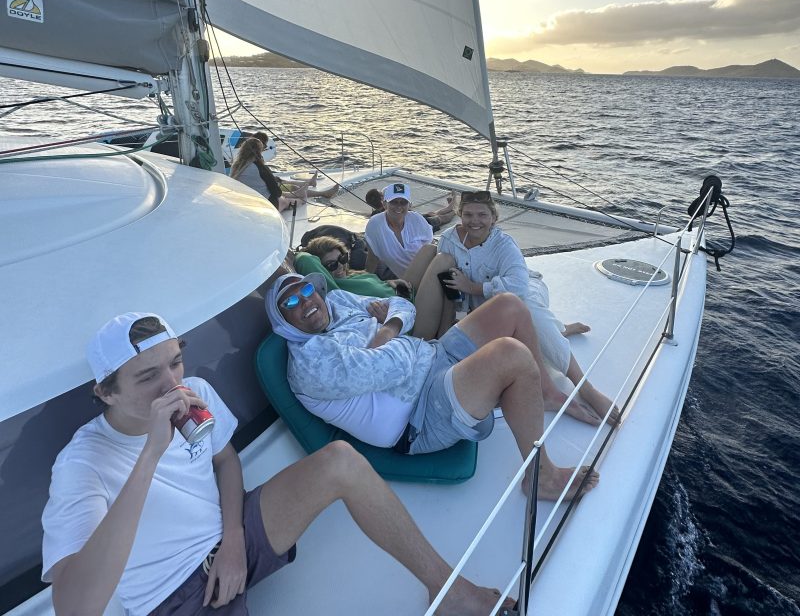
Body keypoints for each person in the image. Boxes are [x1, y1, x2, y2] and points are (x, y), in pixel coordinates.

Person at [41, 312, 512, 616]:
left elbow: (224, 459)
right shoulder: (82, 464)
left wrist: (233, 540)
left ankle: (447, 590)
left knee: (341, 461)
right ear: (106, 392)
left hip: (233, 538)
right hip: (175, 598)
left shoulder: (197, 393)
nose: (172, 384)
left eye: (175, 363)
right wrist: (151, 454)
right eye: (148, 376)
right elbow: (74, 606)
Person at [265, 274, 603, 501]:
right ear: (282, 321)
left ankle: (544, 391)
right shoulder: (312, 362)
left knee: (510, 305)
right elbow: (396, 366)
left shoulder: (337, 302)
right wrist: (387, 329)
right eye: (291, 304)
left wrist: (386, 330)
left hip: (432, 355)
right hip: (419, 416)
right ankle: (540, 475)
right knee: (509, 355)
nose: (306, 302)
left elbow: (402, 306)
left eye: (306, 291)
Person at [437, 190, 621, 425]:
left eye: (482, 215)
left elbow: (518, 287)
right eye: (468, 214)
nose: (475, 221)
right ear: (459, 215)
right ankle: (561, 329)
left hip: (527, 290)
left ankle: (585, 388)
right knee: (516, 338)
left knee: (527, 310)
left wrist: (473, 287)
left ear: (494, 217)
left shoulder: (503, 244)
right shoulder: (449, 241)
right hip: (487, 306)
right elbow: (450, 286)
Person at [298, 236, 454, 339]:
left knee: (430, 248)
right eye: (331, 265)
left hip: (403, 295)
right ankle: (445, 329)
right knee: (444, 261)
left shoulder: (353, 275)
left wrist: (388, 283)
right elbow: (304, 259)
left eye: (342, 258)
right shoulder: (334, 290)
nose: (340, 266)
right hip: (409, 322)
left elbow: (373, 288)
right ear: (322, 270)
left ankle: (451, 309)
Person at [230, 136, 338, 212]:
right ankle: (303, 198)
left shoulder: (236, 166)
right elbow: (276, 192)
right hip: (263, 204)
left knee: (287, 192)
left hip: (245, 201)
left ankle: (305, 191)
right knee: (287, 200)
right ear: (259, 151)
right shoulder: (260, 167)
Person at [364, 183, 440, 288]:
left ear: (409, 205)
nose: (399, 206)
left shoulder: (417, 219)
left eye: (403, 202)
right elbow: (372, 258)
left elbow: (432, 249)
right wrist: (366, 284)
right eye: (394, 202)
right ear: (385, 204)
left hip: (433, 272)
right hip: (409, 283)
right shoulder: (375, 224)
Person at [365, 187, 457, 230]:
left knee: (431, 213)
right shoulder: (389, 210)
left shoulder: (374, 216)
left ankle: (451, 206)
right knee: (441, 218)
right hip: (417, 225)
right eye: (382, 194)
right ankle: (454, 210)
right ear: (382, 200)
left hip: (415, 219)